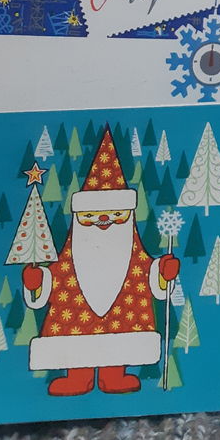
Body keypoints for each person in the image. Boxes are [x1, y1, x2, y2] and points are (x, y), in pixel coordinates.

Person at [20, 128, 179, 396]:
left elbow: (153, 279)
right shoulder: (69, 257)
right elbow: (50, 280)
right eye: (91, 216)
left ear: (128, 216)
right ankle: (77, 377)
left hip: (124, 315)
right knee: (73, 341)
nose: (104, 220)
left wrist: (163, 273)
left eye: (116, 215)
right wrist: (36, 283)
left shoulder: (134, 254)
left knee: (121, 341)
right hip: (74, 316)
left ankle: (114, 375)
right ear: (79, 218)